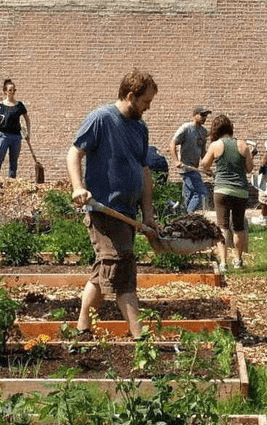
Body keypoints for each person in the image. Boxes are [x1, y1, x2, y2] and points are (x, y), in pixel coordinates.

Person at [66, 70, 159, 339]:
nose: (148, 107)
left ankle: (82, 329)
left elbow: (143, 172)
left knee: (106, 271)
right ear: (130, 96)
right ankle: (139, 334)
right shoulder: (101, 119)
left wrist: (148, 214)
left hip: (127, 214)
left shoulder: (140, 128)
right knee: (120, 271)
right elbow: (74, 153)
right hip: (104, 211)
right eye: (145, 102)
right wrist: (78, 187)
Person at [199, 114, 254, 271]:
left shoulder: (216, 145)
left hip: (222, 190)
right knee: (238, 227)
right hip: (240, 190)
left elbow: (205, 165)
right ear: (230, 129)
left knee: (222, 226)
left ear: (216, 130)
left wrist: (208, 167)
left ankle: (223, 262)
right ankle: (238, 260)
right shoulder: (243, 145)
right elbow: (249, 169)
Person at [170, 106, 211, 213]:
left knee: (189, 196)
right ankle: (188, 216)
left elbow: (203, 152)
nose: (204, 117)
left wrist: (206, 167)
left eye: (206, 115)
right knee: (201, 192)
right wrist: (176, 161)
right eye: (202, 115)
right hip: (186, 168)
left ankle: (181, 215)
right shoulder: (186, 129)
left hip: (195, 168)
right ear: (194, 116)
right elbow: (172, 144)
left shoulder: (203, 132)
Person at [0, 79, 31, 178]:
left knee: (14, 160)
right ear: (5, 91)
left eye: (14, 90)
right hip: (3, 135)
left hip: (16, 137)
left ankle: (12, 181)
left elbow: (27, 119)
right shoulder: (0, 106)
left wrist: (28, 133)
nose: (12, 92)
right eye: (10, 90)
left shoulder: (19, 105)